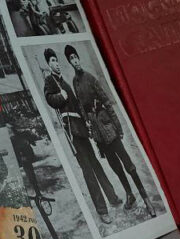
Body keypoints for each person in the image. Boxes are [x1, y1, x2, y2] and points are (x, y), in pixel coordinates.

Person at [65, 45, 156, 217]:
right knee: (115, 167)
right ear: (70, 62)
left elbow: (107, 102)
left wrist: (118, 126)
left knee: (128, 165)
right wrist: (88, 123)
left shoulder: (91, 78)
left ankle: (146, 199)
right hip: (98, 135)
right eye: (71, 59)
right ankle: (130, 195)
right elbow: (82, 107)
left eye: (76, 57)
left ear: (79, 58)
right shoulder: (75, 83)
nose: (75, 61)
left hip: (108, 127)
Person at [42, 47, 118, 224]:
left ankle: (112, 197)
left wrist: (87, 123)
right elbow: (50, 99)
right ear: (48, 64)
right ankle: (102, 210)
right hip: (72, 132)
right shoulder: (50, 81)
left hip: (81, 129)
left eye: (56, 60)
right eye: (52, 61)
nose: (56, 63)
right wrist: (60, 96)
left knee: (96, 165)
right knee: (88, 171)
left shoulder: (65, 82)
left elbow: (77, 106)